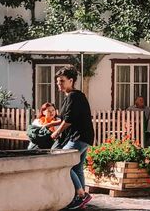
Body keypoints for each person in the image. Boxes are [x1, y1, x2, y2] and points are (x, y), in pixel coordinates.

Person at [50, 67, 94, 210]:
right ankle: (81, 200)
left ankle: (81, 195)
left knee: (63, 162)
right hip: (84, 137)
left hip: (78, 137)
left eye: (62, 81)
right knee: (77, 167)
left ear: (71, 80)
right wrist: (51, 124)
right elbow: (66, 118)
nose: (59, 84)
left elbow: (69, 120)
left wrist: (57, 132)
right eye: (58, 81)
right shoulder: (73, 96)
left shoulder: (74, 96)